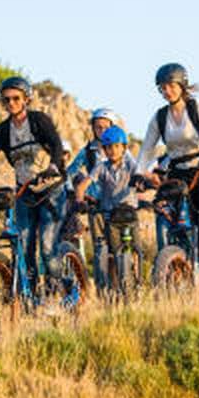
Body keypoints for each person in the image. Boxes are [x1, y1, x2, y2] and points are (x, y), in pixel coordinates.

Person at [0, 76, 66, 289]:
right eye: (6, 100)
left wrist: (53, 166)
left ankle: (59, 288)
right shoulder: (3, 130)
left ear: (27, 99)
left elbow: (56, 145)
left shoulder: (38, 120)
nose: (11, 104)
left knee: (46, 246)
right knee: (25, 248)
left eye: (16, 98)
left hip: (51, 189)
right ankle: (32, 297)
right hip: (25, 192)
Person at [136, 63, 199, 265]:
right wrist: (138, 173)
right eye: (162, 87)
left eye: (171, 85)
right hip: (178, 173)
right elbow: (146, 148)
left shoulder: (196, 109)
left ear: (182, 85)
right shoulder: (160, 117)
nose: (166, 91)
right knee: (170, 219)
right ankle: (178, 262)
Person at [74, 125, 145, 293]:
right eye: (108, 147)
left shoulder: (130, 164)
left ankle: (139, 279)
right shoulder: (101, 167)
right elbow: (84, 184)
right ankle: (118, 287)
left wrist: (141, 183)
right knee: (116, 251)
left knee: (137, 249)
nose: (112, 151)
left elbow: (140, 176)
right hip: (111, 216)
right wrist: (79, 199)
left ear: (124, 148)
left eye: (116, 146)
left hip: (129, 213)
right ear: (104, 150)